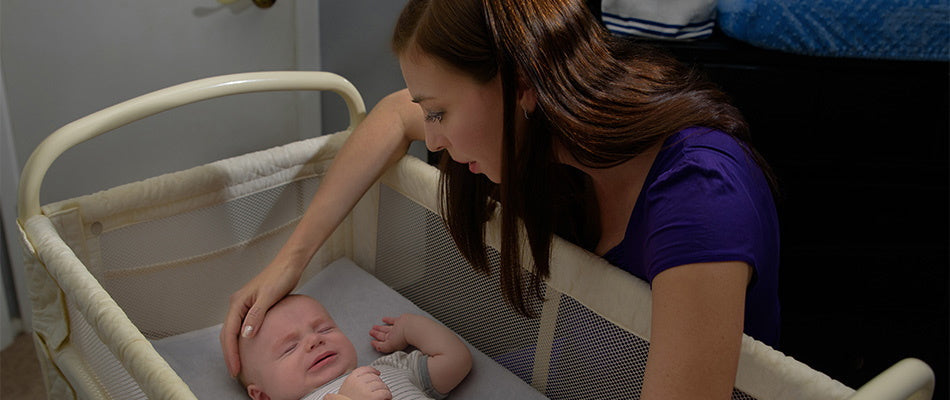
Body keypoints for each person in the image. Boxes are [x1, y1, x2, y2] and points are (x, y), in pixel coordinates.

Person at [222, 0, 781, 399]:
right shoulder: (552, 136)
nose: (432, 139)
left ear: (522, 87)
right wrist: (289, 262)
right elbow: (393, 115)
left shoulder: (699, 195)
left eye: (439, 112)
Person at [236, 294, 472, 400]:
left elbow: (456, 360)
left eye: (324, 329)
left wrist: (411, 327)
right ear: (263, 396)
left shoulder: (387, 367)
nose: (314, 341)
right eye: (289, 348)